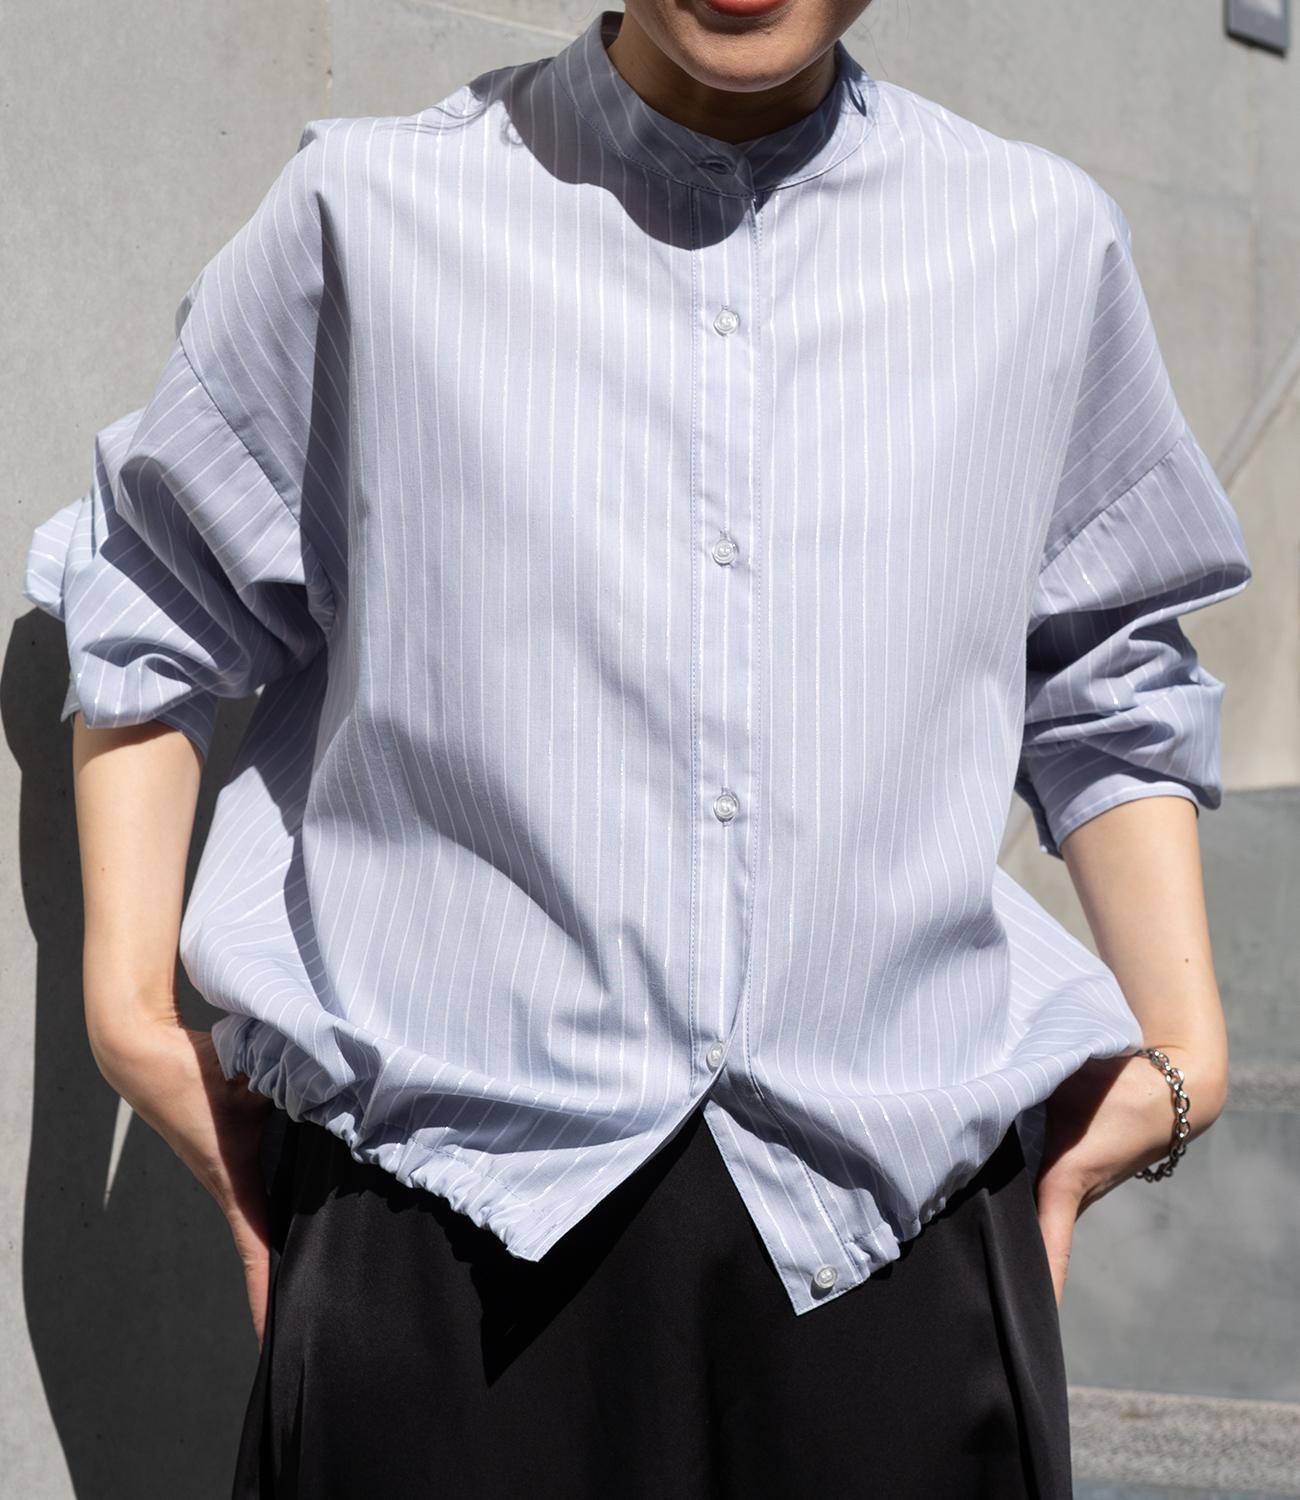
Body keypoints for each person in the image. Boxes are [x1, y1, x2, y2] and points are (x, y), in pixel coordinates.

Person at [22, 2, 1252, 1495]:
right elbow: (158, 580)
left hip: (896, 1252)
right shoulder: (376, 210)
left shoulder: (1038, 246)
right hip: (450, 1240)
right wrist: (124, 1011)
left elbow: (1109, 662)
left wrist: (1188, 1043)